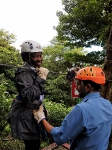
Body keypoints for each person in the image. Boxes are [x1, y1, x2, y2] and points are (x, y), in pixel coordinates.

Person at [33, 66, 112, 150]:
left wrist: (41, 118)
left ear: (88, 87)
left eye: (78, 84)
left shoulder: (81, 109)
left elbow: (60, 136)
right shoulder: (108, 104)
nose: (76, 87)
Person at [9, 40, 49, 150]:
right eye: (35, 56)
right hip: (26, 116)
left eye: (40, 55)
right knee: (32, 145)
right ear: (27, 57)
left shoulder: (33, 71)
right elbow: (27, 95)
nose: (39, 59)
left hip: (32, 113)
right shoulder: (24, 72)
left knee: (34, 144)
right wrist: (41, 79)